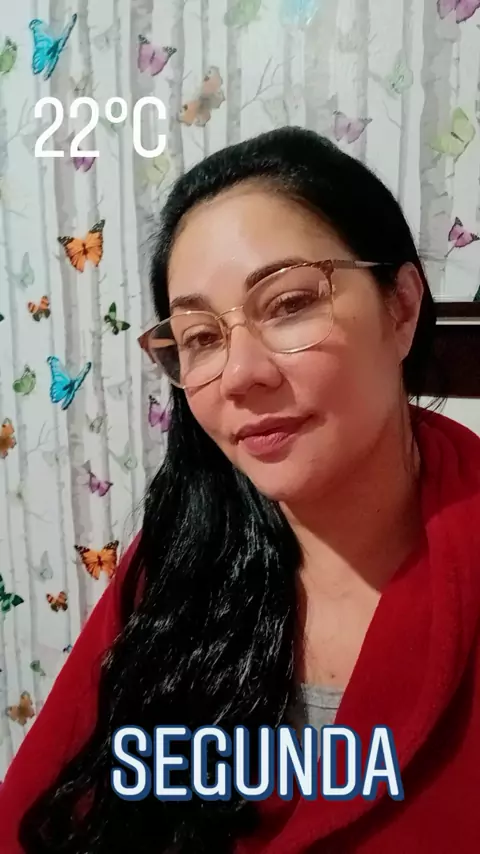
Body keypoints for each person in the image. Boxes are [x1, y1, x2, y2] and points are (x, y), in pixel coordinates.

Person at [1, 126, 480, 854]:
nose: (240, 374)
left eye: (288, 304)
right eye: (199, 337)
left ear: (402, 308)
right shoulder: (184, 558)